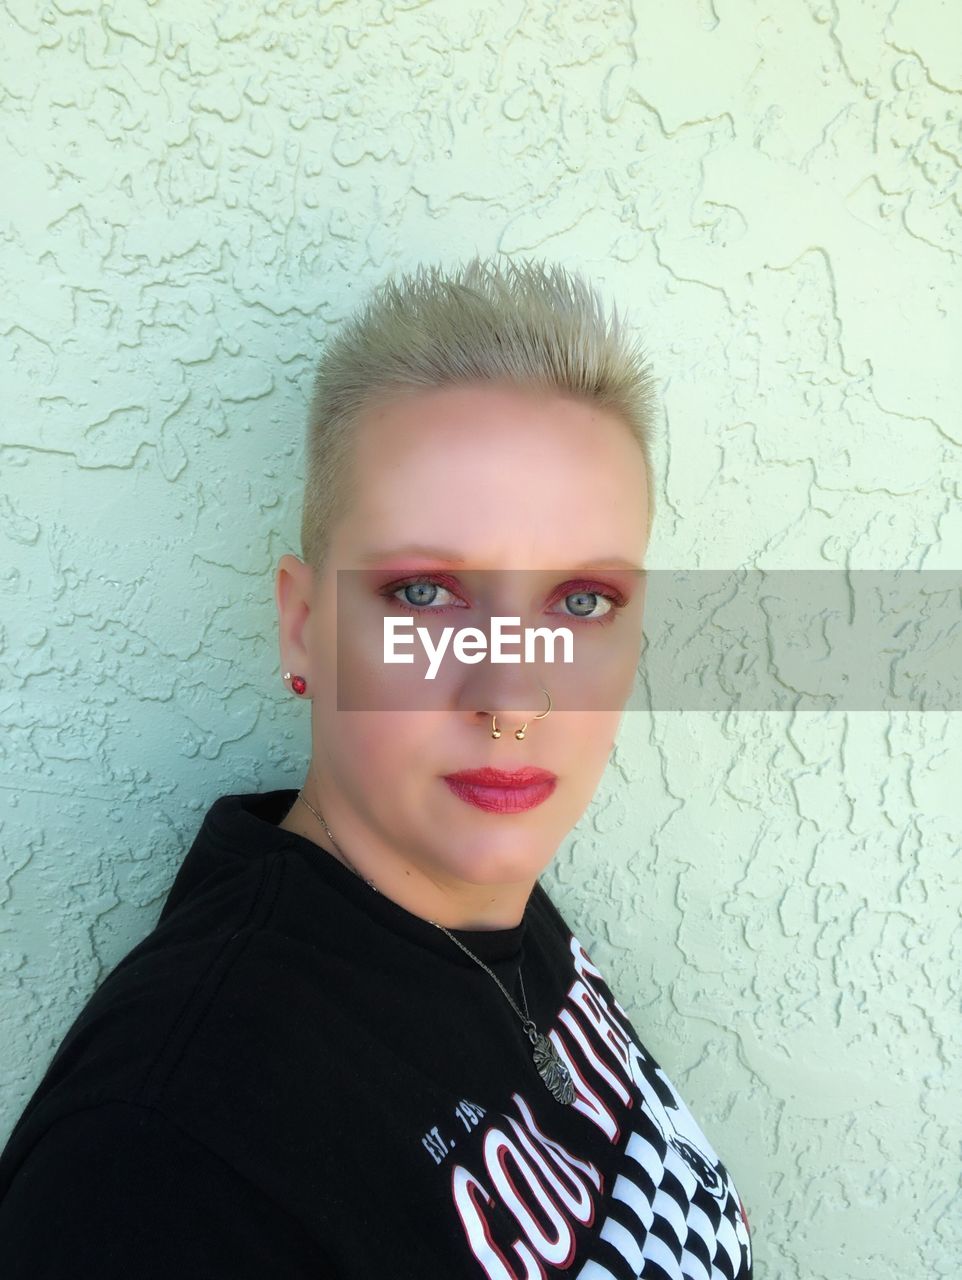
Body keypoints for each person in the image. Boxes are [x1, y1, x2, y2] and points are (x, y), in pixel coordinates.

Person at [0, 256, 753, 1278]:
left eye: (580, 602)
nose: (514, 698)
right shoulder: (167, 1157)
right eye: (427, 594)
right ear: (305, 628)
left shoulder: (480, 897)